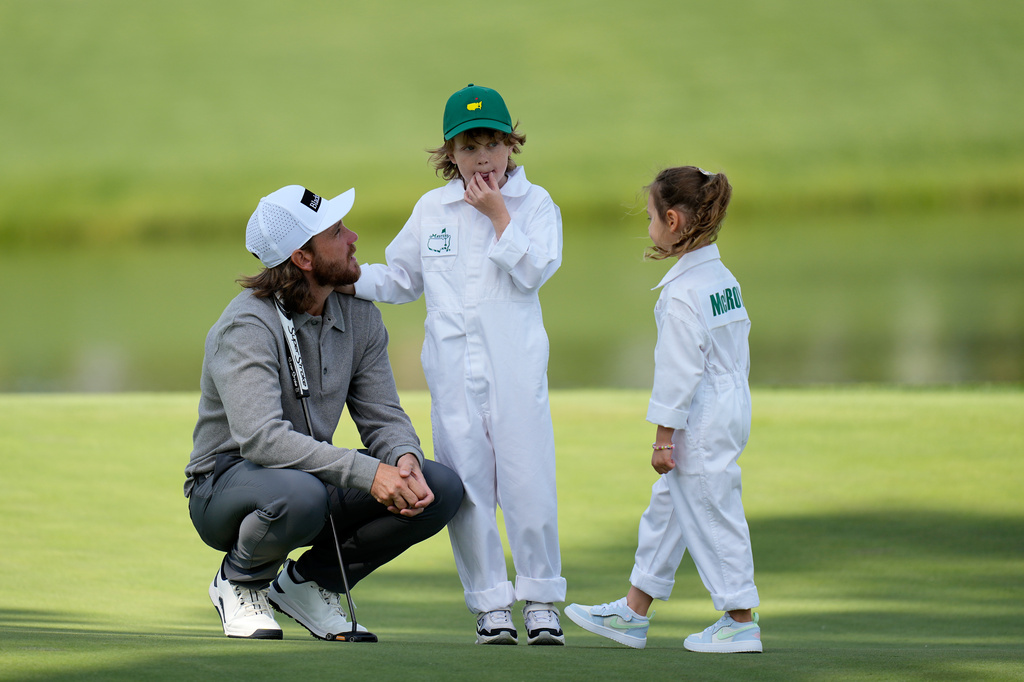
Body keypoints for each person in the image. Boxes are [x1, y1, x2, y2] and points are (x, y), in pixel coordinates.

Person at [184, 184, 463, 640]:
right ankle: (239, 580)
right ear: (304, 259)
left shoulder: (359, 315)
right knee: (301, 495)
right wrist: (369, 474)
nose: (353, 236)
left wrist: (402, 460)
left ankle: (310, 585)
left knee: (438, 489)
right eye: (337, 231)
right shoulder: (246, 326)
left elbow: (383, 417)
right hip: (224, 487)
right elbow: (262, 440)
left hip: (309, 478)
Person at [342, 84, 566, 645]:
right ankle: (491, 606)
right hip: (452, 376)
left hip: (514, 374)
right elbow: (398, 279)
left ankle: (540, 601)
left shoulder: (535, 205)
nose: (483, 157)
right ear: (451, 153)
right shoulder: (431, 209)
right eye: (469, 147)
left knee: (528, 484)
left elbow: (534, 271)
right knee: (467, 492)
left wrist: (496, 215)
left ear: (512, 145)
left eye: (493, 143)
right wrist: (341, 277)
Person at [564, 166, 762, 653]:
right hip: (732, 400)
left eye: (651, 216)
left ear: (672, 220)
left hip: (704, 411)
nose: (648, 226)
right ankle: (633, 611)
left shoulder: (681, 293)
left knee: (713, 506)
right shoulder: (722, 277)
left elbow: (679, 372)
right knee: (672, 503)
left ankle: (739, 619)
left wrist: (663, 438)